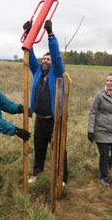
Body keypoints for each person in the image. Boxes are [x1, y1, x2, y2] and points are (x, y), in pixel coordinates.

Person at [22, 20, 69, 185]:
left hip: (55, 119)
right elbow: (29, 53)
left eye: (48, 59)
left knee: (58, 148)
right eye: (44, 58)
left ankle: (62, 177)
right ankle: (37, 172)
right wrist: (28, 34)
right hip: (40, 118)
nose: (45, 60)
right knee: (39, 147)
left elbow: (56, 56)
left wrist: (50, 35)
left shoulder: (57, 73)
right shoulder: (36, 71)